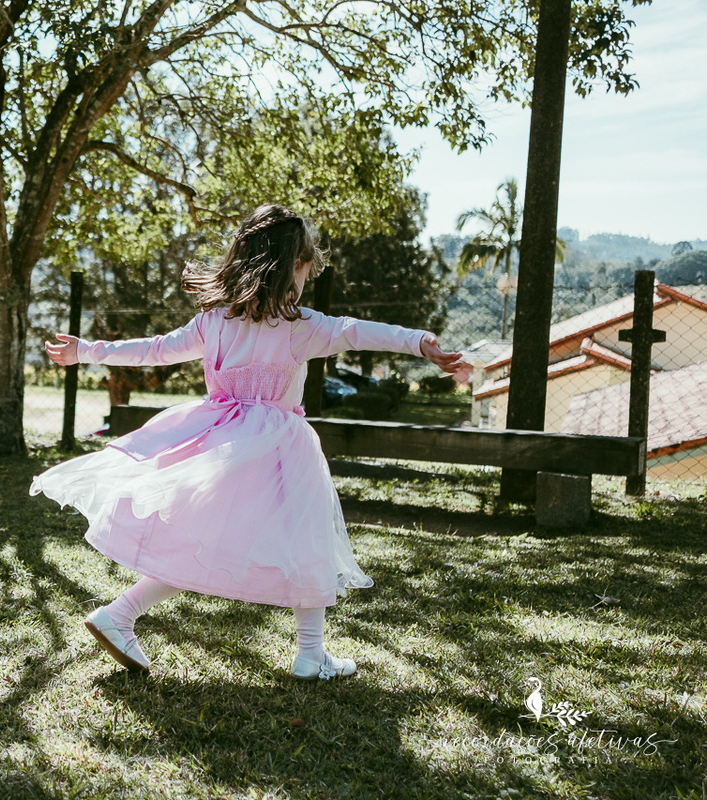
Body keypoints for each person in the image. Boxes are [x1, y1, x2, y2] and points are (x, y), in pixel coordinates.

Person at [30, 204, 467, 680]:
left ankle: (121, 614)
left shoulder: (214, 321)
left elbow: (154, 349)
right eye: (305, 267)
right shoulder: (302, 327)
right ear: (290, 269)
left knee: (194, 538)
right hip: (280, 450)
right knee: (307, 542)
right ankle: (309, 653)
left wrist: (87, 351)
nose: (307, 277)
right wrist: (421, 341)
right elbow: (356, 332)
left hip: (219, 445)